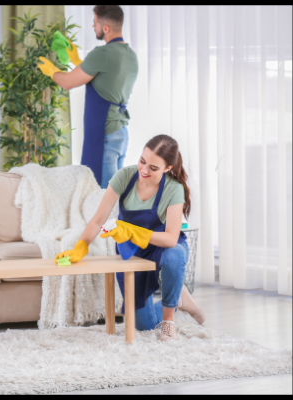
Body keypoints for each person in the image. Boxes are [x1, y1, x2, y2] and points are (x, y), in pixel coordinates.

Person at [54, 134, 205, 341]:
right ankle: (178, 299)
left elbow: (170, 239)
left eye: (153, 168)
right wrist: (80, 247)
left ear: (168, 169)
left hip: (164, 247)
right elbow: (98, 220)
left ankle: (169, 321)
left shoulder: (173, 189)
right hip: (132, 253)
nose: (144, 170)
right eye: (142, 161)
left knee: (173, 256)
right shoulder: (124, 177)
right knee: (143, 327)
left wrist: (132, 231)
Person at [38, 5, 138, 188]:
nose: (93, 27)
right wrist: (77, 60)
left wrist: (51, 71)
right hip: (120, 133)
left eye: (95, 23)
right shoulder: (130, 55)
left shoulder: (103, 54)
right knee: (113, 194)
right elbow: (105, 80)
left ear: (105, 28)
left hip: (105, 134)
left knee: (102, 196)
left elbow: (67, 82)